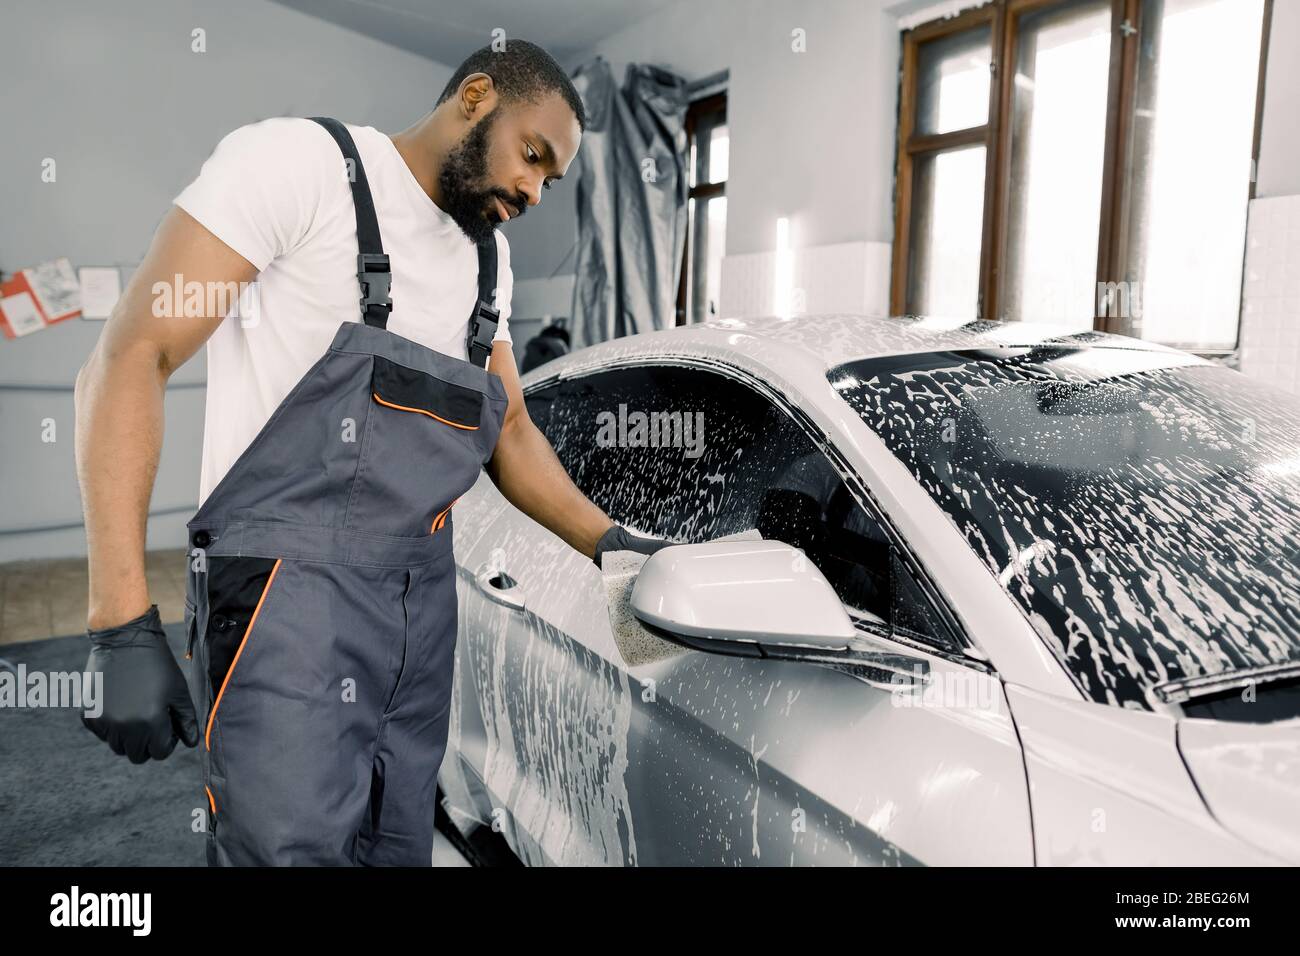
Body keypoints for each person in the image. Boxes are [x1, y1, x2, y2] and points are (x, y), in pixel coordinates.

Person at [73, 39, 669, 866]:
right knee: (284, 847)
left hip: (421, 606)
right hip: (288, 598)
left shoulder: (487, 261)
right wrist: (118, 621)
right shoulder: (300, 166)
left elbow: (513, 433)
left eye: (552, 179)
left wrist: (610, 543)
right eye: (532, 156)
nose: (534, 190)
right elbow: (132, 355)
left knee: (397, 840)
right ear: (475, 97)